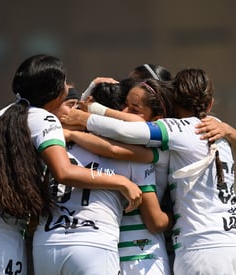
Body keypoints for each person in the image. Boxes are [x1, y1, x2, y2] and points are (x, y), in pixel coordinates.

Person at [0, 54, 142, 275]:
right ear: (53, 92)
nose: (67, 86)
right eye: (64, 82)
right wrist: (120, 181)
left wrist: (91, 90)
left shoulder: (8, 113)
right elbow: (63, 172)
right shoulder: (44, 119)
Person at [62, 68, 236, 275]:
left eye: (133, 108)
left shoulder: (179, 130)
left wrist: (86, 115)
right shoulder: (217, 127)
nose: (126, 112)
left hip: (202, 247)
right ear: (211, 104)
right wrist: (230, 131)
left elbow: (126, 131)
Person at [33, 81, 157, 275]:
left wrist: (86, 102)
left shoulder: (52, 145)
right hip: (94, 243)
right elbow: (137, 131)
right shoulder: (131, 154)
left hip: (46, 242)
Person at [75, 81, 173, 274]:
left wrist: (182, 217)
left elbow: (155, 222)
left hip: (144, 260)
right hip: (112, 256)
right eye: (124, 105)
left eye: (134, 109)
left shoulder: (149, 151)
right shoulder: (94, 144)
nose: (125, 112)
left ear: (157, 119)